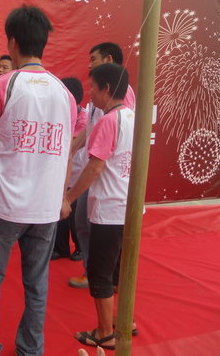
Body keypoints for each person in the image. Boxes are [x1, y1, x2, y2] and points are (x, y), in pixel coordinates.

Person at [0, 5, 77, 356]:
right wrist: (63, 196)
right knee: (36, 283)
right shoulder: (64, 93)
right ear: (43, 43)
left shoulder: (3, 85)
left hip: (6, 207)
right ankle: (30, 349)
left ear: (13, 42)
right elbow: (66, 150)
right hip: (46, 209)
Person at [66, 63, 135, 351]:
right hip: (129, 208)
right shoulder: (133, 116)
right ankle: (124, 320)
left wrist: (69, 199)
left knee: (100, 272)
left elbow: (94, 168)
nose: (90, 94)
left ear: (106, 88)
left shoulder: (109, 121)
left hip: (109, 209)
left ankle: (105, 332)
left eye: (93, 87)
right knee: (120, 270)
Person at [51, 77, 87, 261]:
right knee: (59, 211)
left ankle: (80, 247)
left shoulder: (84, 117)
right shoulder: (58, 113)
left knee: (74, 214)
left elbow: (71, 145)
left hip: (78, 172)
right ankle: (60, 248)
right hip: (60, 172)